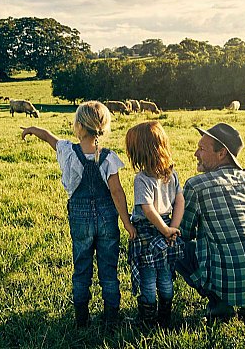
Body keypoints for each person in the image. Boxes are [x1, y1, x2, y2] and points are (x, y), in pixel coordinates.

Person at [21, 101, 136, 328]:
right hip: (107, 218)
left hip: (80, 218)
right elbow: (116, 191)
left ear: (79, 126)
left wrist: (32, 130)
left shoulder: (67, 151)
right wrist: (127, 223)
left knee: (81, 267)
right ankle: (112, 318)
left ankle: (81, 319)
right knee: (109, 270)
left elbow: (48, 137)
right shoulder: (109, 157)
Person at [177, 122, 245, 321]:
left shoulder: (197, 185)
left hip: (229, 283)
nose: (195, 154)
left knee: (171, 243)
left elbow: (183, 232)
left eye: (201, 149)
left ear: (222, 153)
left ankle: (219, 302)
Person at [124, 121, 185, 328]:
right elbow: (180, 202)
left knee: (148, 277)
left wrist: (166, 229)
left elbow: (148, 210)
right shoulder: (172, 173)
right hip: (168, 228)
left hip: (148, 232)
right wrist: (172, 228)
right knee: (166, 275)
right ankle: (165, 316)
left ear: (139, 152)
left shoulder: (142, 179)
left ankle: (148, 319)